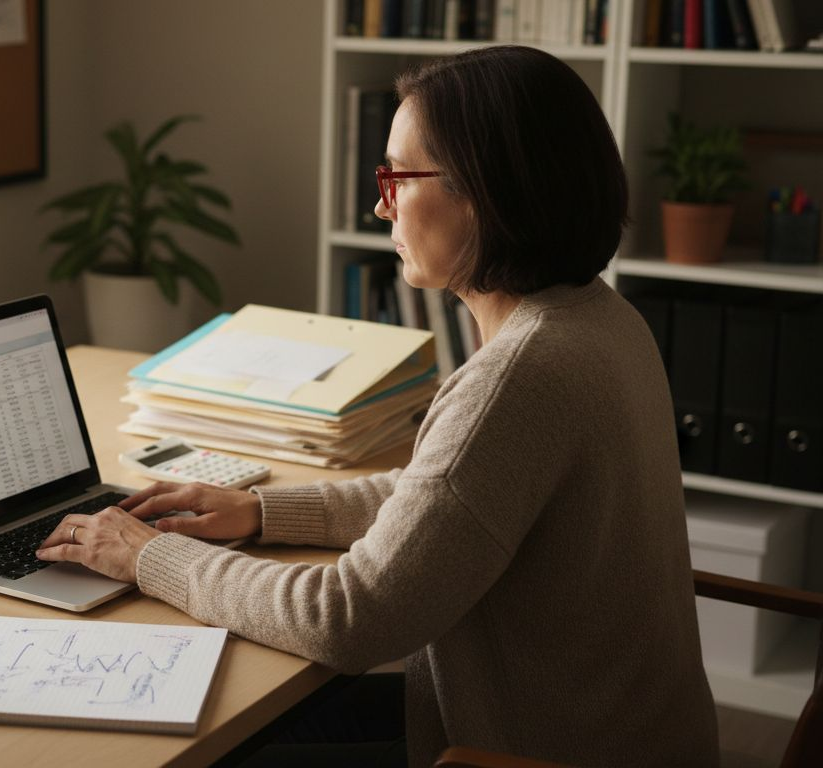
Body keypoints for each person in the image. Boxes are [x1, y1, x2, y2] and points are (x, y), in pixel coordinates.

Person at [37, 45, 719, 767]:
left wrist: (150, 556)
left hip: (522, 752)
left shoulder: (521, 375)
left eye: (397, 175)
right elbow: (451, 492)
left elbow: (348, 620)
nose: (379, 203)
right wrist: (264, 514)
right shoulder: (600, 319)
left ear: (484, 192)